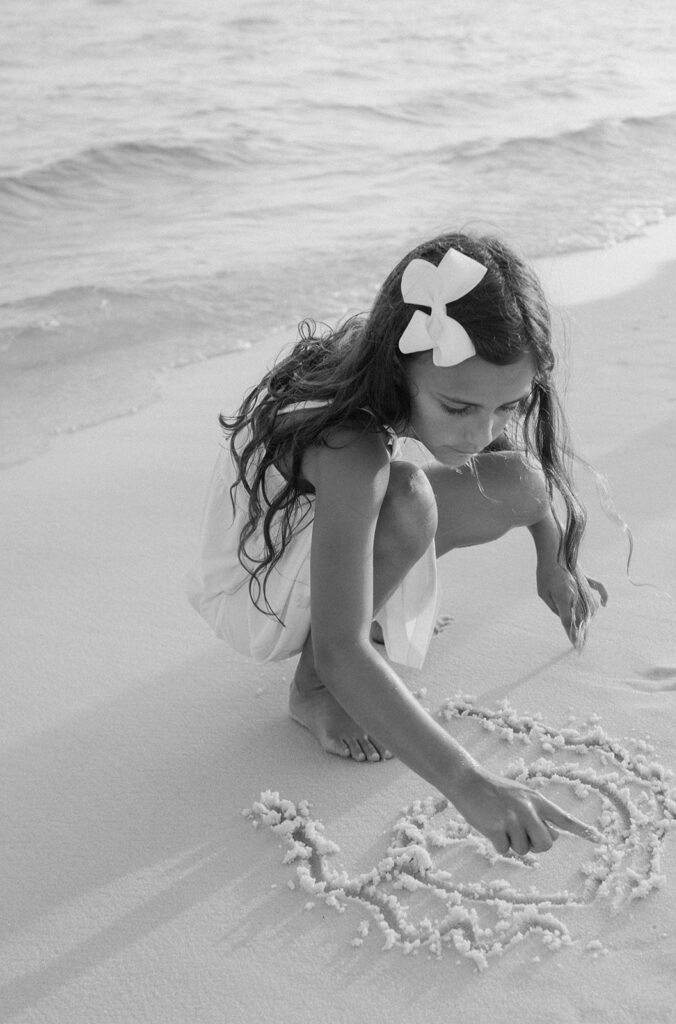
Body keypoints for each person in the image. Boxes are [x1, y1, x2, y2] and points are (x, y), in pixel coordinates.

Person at [187, 233, 608, 856]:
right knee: (410, 497)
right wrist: (472, 785)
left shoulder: (414, 382)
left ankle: (371, 603)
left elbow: (521, 475)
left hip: (316, 544)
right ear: (400, 367)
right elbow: (341, 649)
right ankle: (309, 694)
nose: (481, 431)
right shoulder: (349, 448)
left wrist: (555, 560)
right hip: (253, 597)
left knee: (521, 479)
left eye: (508, 406)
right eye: (459, 406)